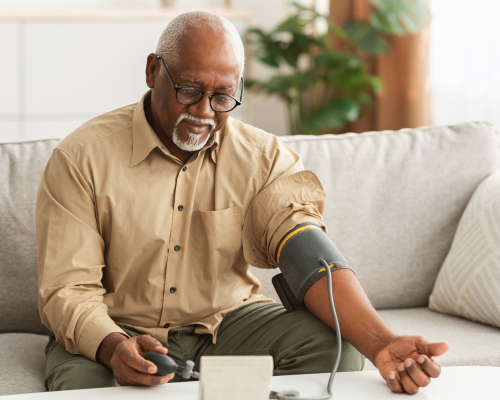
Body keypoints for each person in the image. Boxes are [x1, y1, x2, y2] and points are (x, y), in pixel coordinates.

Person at [36, 11, 448, 396]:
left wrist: (382, 342)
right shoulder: (81, 159)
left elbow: (306, 254)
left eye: (222, 96)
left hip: (225, 325)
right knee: (82, 386)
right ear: (151, 71)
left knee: (334, 346)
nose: (203, 111)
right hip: (117, 327)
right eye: (189, 89)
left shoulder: (264, 158)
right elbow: (67, 290)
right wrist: (111, 347)